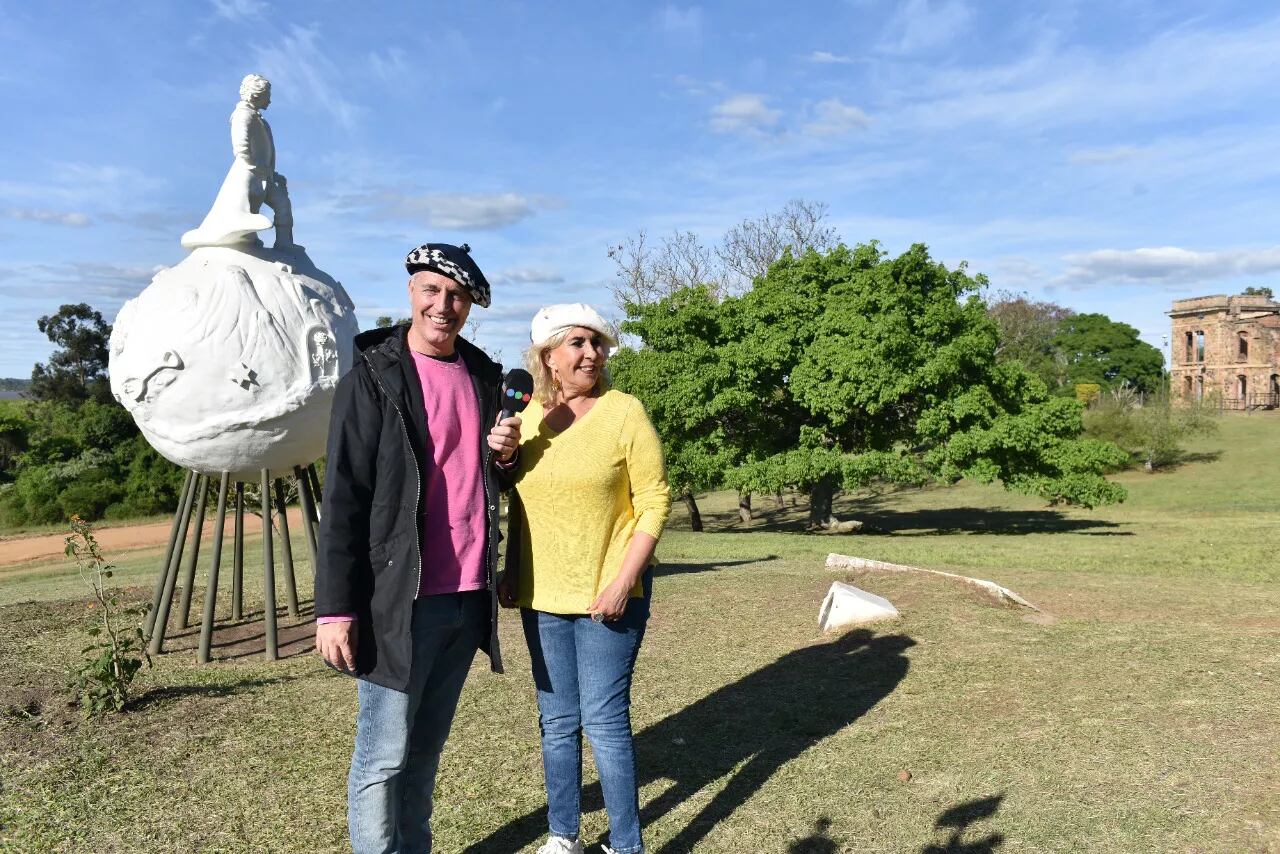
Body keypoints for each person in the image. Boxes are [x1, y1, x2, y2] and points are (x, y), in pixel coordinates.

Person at [314, 242, 522, 854]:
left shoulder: (484, 376)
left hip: (465, 598)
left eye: (456, 297)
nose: (443, 305)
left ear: (469, 307)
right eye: (432, 290)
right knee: (382, 758)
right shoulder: (372, 378)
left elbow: (485, 476)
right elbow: (344, 497)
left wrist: (506, 455)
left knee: (425, 755)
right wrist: (335, 610)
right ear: (411, 291)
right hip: (396, 602)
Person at [499, 303, 671, 854]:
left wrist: (624, 582)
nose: (590, 353)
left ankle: (625, 845)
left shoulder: (624, 412)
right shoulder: (523, 422)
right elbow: (521, 505)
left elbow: (654, 500)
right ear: (547, 357)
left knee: (604, 723)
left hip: (607, 595)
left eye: (596, 343)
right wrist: (511, 570)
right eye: (576, 343)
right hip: (541, 596)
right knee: (556, 722)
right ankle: (563, 834)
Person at [181, 73, 295, 250]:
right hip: (248, 173)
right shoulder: (243, 115)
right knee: (242, 209)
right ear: (256, 95)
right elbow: (241, 147)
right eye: (268, 97)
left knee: (282, 205)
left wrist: (272, 174)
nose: (270, 101)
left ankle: (285, 244)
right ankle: (242, 239)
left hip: (265, 175)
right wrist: (253, 166)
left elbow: (265, 150)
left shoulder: (259, 119)